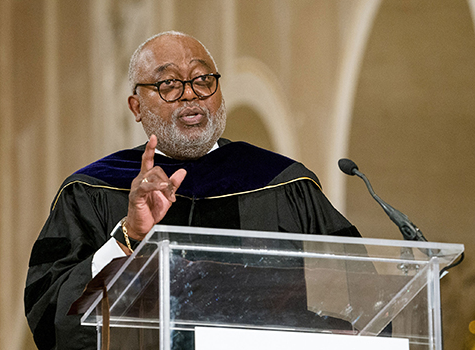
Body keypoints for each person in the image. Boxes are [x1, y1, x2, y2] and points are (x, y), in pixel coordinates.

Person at [24, 31, 360, 350]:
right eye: (169, 83)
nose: (190, 93)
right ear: (136, 107)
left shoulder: (285, 183)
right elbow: (51, 314)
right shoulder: (93, 191)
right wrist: (129, 238)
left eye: (203, 80)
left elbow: (360, 297)